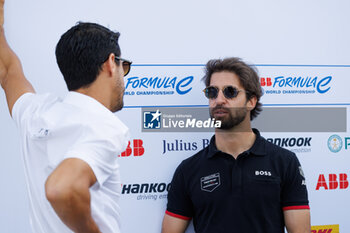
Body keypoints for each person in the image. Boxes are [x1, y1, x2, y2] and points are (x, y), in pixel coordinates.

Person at [0, 1, 132, 232]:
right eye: (125, 66)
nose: (125, 76)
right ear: (112, 63)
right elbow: (61, 188)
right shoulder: (103, 126)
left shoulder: (37, 112)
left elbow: (8, 71)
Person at [162, 57, 311, 233]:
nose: (219, 100)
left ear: (251, 101)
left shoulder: (284, 162)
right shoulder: (188, 170)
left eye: (230, 92)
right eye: (212, 92)